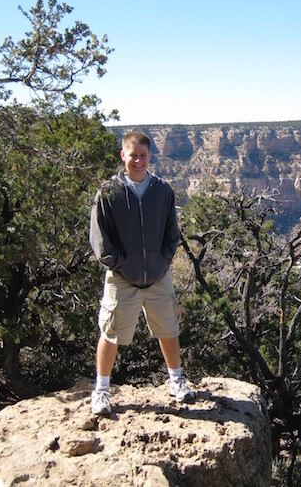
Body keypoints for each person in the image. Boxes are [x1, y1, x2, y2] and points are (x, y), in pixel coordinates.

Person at [89, 131, 195, 415]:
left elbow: (173, 235)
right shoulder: (108, 192)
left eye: (143, 155)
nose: (138, 161)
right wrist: (122, 264)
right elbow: (100, 242)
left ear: (150, 156)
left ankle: (176, 380)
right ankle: (101, 391)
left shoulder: (162, 191)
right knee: (110, 333)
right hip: (122, 277)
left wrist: (162, 261)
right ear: (123, 155)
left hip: (158, 276)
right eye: (133, 155)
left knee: (169, 329)